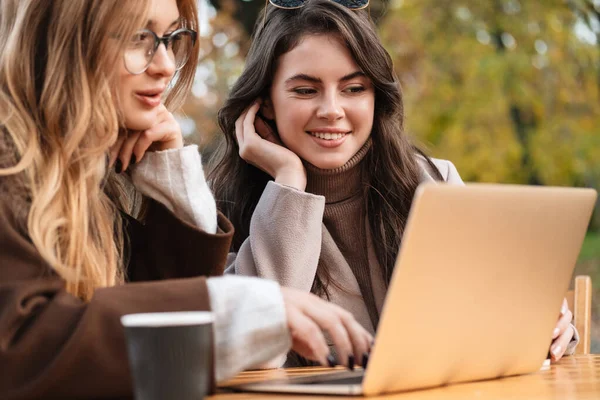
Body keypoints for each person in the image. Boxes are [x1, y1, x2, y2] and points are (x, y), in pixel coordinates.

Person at [0, 0, 372, 398]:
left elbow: (155, 350)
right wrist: (238, 308)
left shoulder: (94, 180)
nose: (163, 64)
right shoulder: (12, 167)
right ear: (63, 39)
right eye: (137, 37)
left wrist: (173, 179)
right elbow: (22, 347)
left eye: (170, 38)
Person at [208, 0, 578, 366]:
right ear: (266, 103)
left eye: (353, 89)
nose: (332, 110)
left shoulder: (432, 184)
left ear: (376, 96)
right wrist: (289, 184)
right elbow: (257, 352)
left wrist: (544, 320)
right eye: (305, 90)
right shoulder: (224, 207)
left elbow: (499, 301)